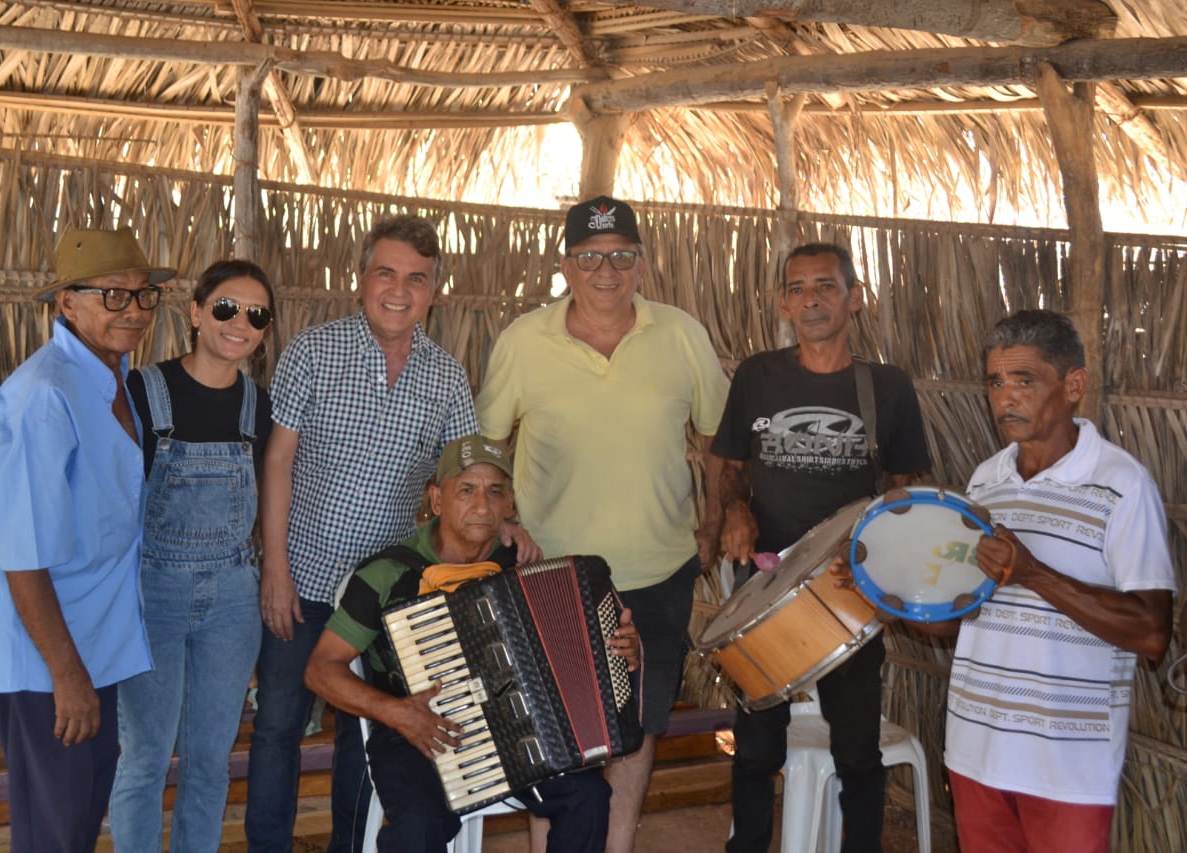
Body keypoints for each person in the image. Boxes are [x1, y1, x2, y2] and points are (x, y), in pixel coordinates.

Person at [247, 215, 537, 852]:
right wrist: (275, 568)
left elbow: (465, 472)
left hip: (391, 597)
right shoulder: (313, 352)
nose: (400, 290)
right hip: (306, 577)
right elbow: (277, 461)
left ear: (435, 290)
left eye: (417, 278)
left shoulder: (445, 376)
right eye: (386, 272)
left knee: (364, 734)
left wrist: (507, 521)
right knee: (278, 727)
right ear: (361, 280)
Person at [476, 195, 729, 852]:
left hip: (658, 572)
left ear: (642, 265)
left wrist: (716, 517)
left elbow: (719, 438)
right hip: (551, 572)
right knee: (556, 732)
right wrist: (503, 518)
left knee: (635, 729)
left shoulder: (681, 334)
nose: (606, 270)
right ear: (566, 265)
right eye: (590, 257)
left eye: (621, 255)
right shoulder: (524, 341)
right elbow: (485, 445)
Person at [303, 434, 639, 853]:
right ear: (437, 499)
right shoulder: (388, 573)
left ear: (510, 506)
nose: (482, 506)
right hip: (416, 733)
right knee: (419, 824)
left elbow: (573, 653)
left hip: (520, 735)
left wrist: (622, 650)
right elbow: (320, 669)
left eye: (495, 492)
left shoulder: (522, 566)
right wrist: (397, 713)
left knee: (588, 797)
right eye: (466, 490)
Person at [709, 242, 932, 853]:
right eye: (798, 289)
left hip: (848, 588)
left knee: (857, 751)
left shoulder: (884, 387)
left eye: (826, 287)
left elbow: (904, 489)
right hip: (766, 587)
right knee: (755, 750)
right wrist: (735, 509)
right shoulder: (757, 375)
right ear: (784, 302)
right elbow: (728, 464)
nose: (811, 300)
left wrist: (883, 571)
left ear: (854, 298)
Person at [938, 309, 1175, 852]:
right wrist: (890, 590)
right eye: (996, 382)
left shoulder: (1122, 485)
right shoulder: (985, 480)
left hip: (1067, 767)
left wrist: (1034, 574)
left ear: (1073, 386)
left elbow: (1152, 633)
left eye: (1025, 380)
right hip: (975, 749)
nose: (1005, 399)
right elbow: (967, 618)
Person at [0, 227, 170, 852]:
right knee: (54, 829)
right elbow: (20, 557)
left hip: (90, 637)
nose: (133, 311)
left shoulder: (115, 381)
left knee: (78, 819)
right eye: (112, 296)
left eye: (142, 296)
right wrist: (67, 675)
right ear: (66, 302)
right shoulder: (45, 395)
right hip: (48, 652)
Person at [104, 260, 276, 852]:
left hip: (233, 599)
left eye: (257, 315)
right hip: (154, 593)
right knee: (146, 758)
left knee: (209, 763)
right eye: (227, 308)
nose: (241, 324)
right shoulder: (141, 392)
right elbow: (76, 469)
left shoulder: (262, 407)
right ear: (196, 312)